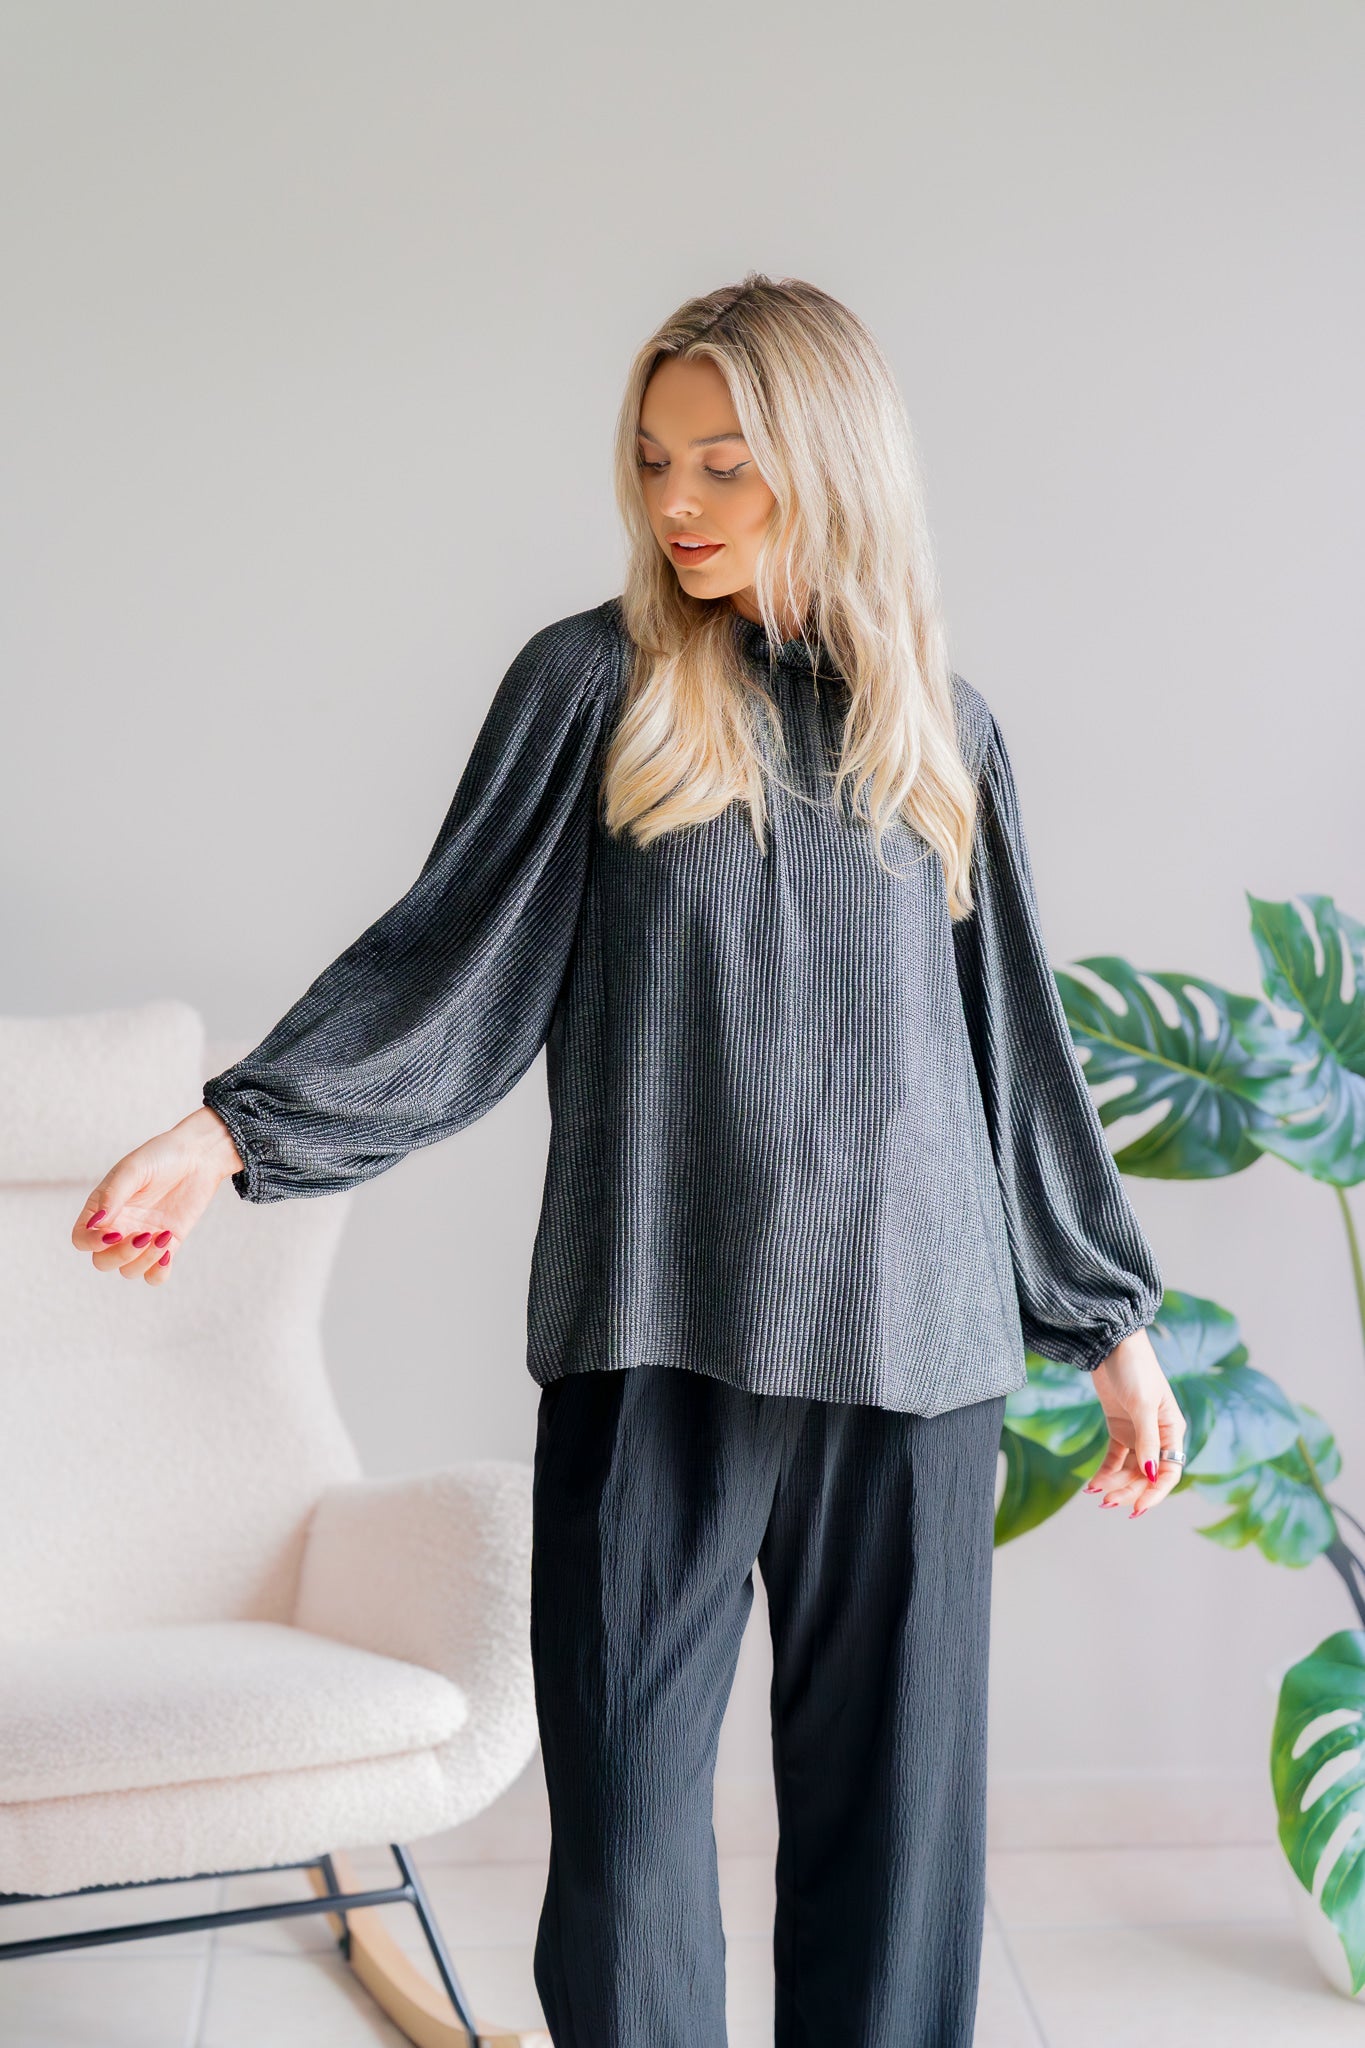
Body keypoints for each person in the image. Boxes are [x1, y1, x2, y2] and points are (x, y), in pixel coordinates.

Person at [71, 272, 1186, 2048]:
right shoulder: (593, 689)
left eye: (724, 464)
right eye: (656, 461)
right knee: (623, 1860)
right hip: (651, 1331)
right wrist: (233, 1131)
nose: (677, 502)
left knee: (899, 1856)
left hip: (918, 1354)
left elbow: (1013, 1057)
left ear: (831, 464)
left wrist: (1107, 1325)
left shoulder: (939, 730)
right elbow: (448, 962)